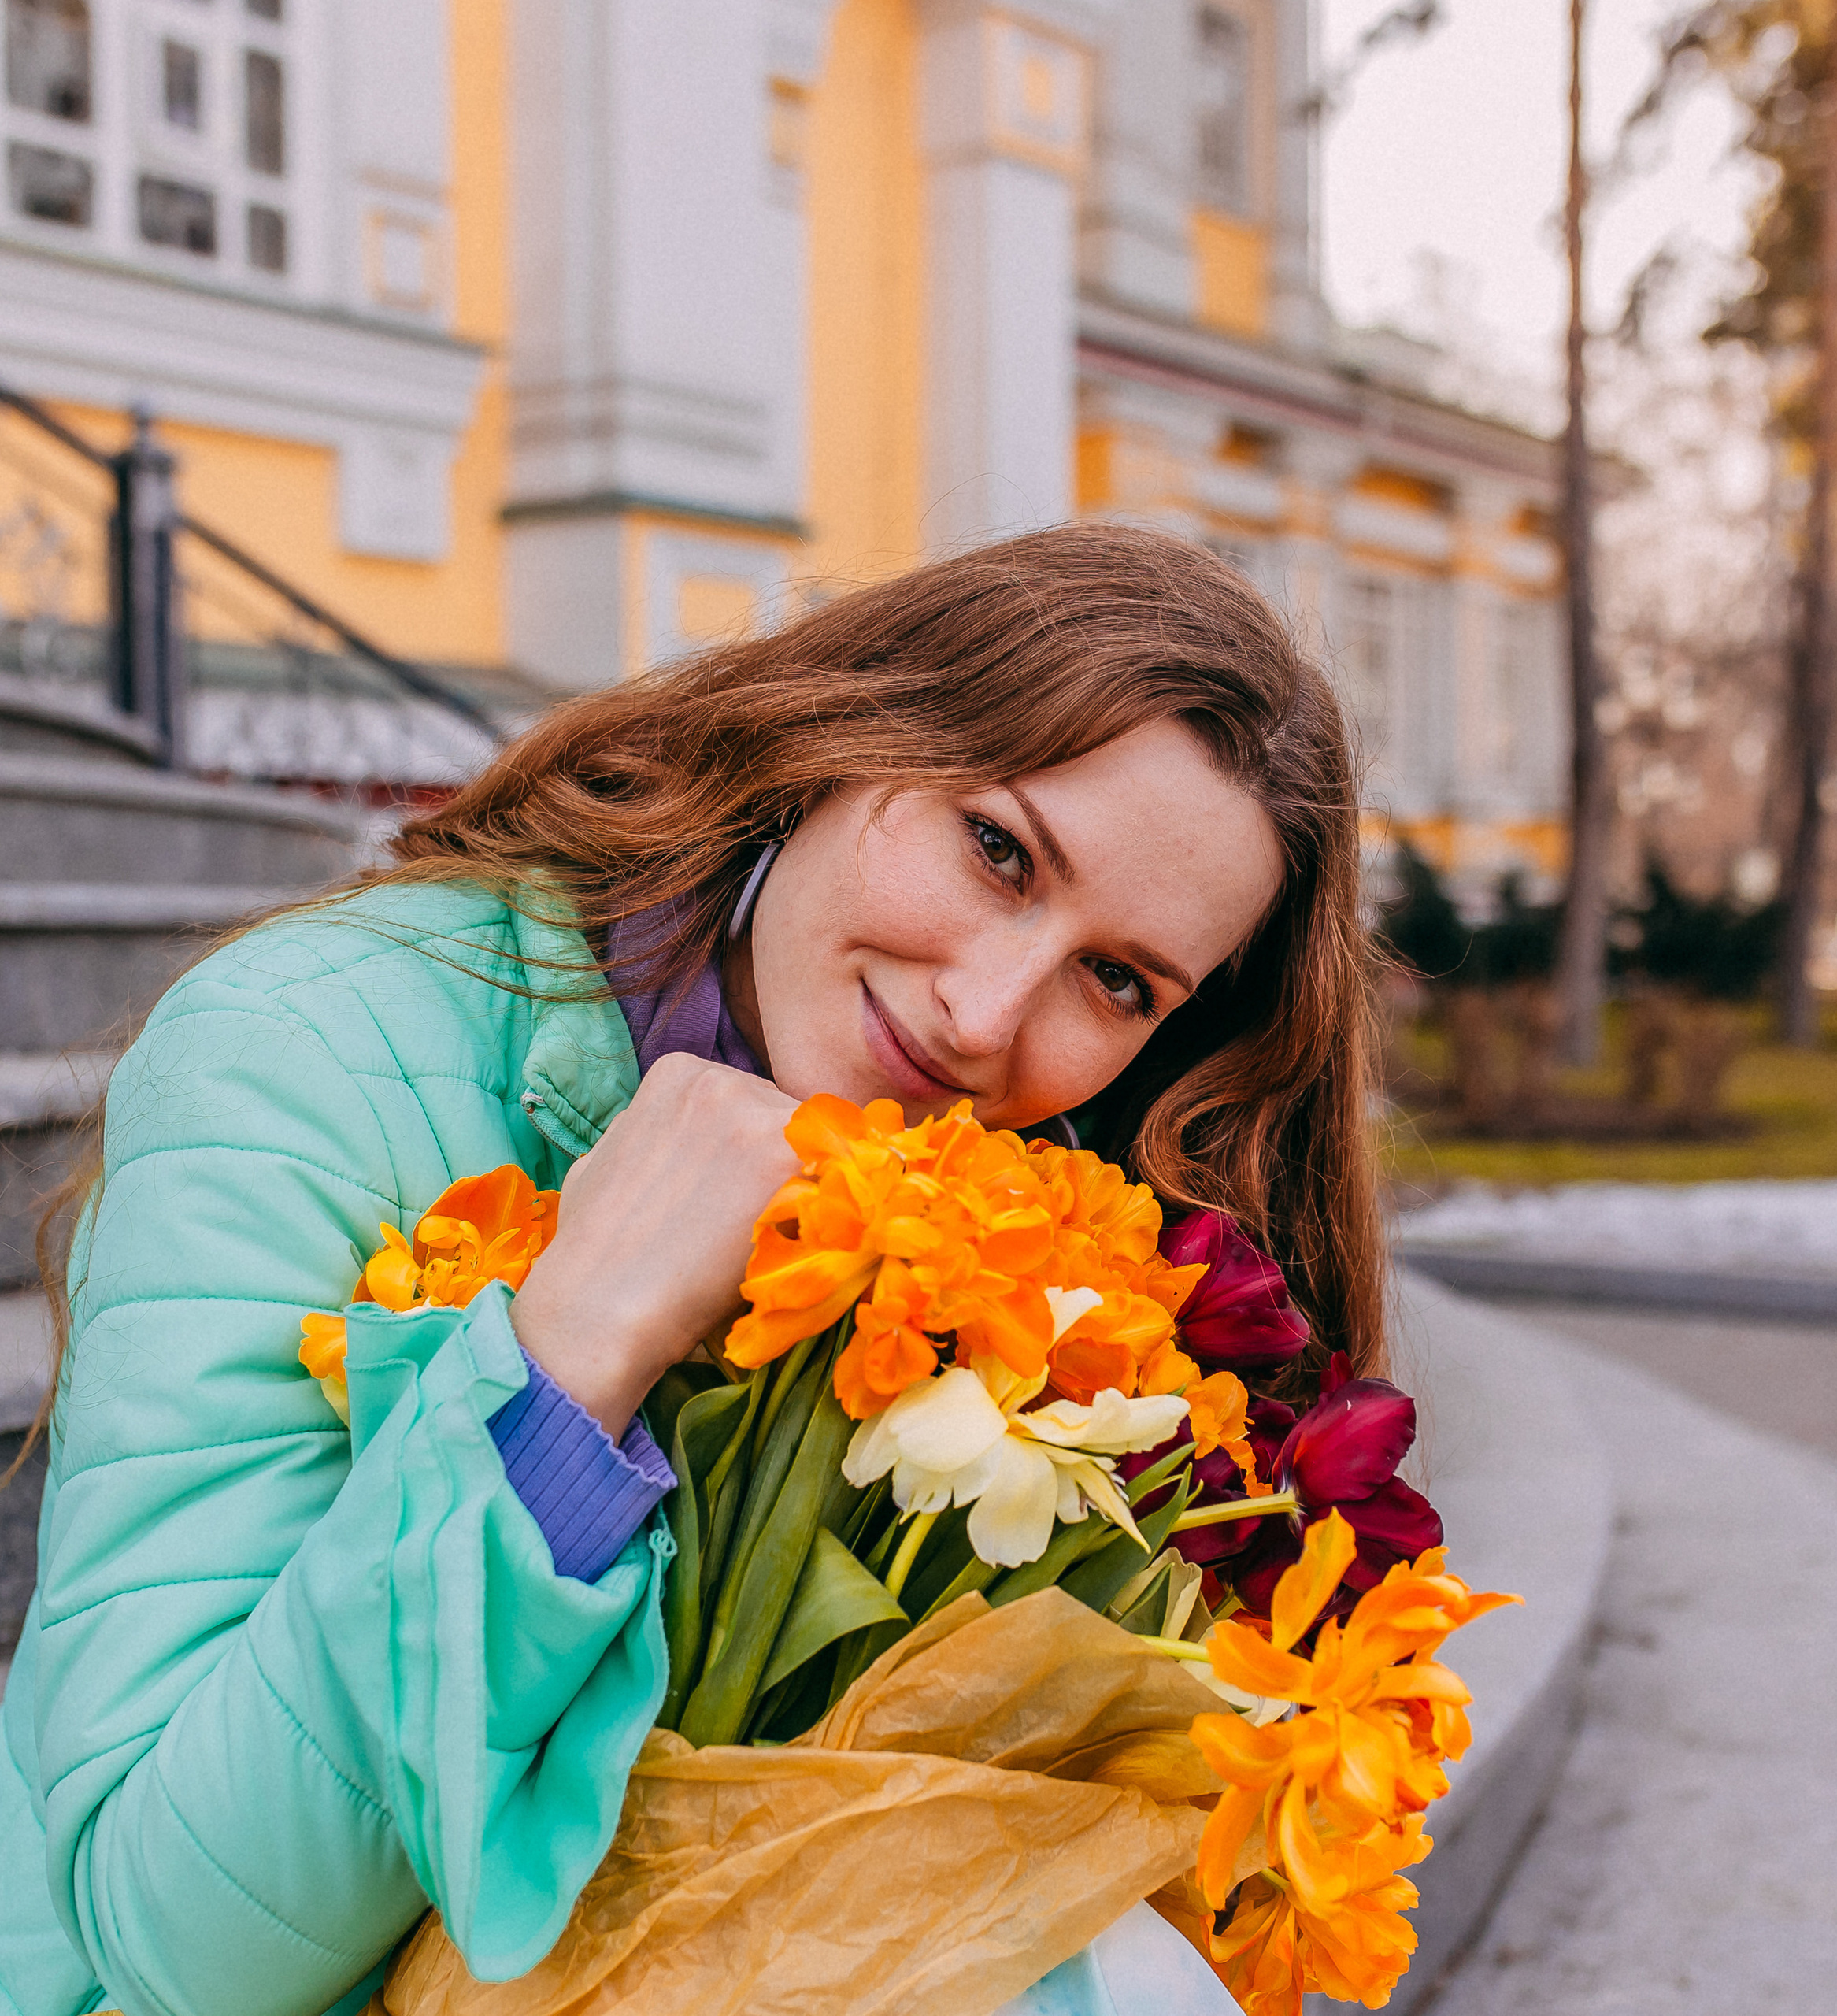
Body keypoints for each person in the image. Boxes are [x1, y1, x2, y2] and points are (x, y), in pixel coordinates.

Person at [0, 524, 1388, 2016]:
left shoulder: (1047, 1249)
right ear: (839, 736)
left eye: (1118, 982)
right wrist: (566, 1371)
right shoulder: (309, 1053)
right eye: (996, 850)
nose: (987, 1017)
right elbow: (177, 1938)